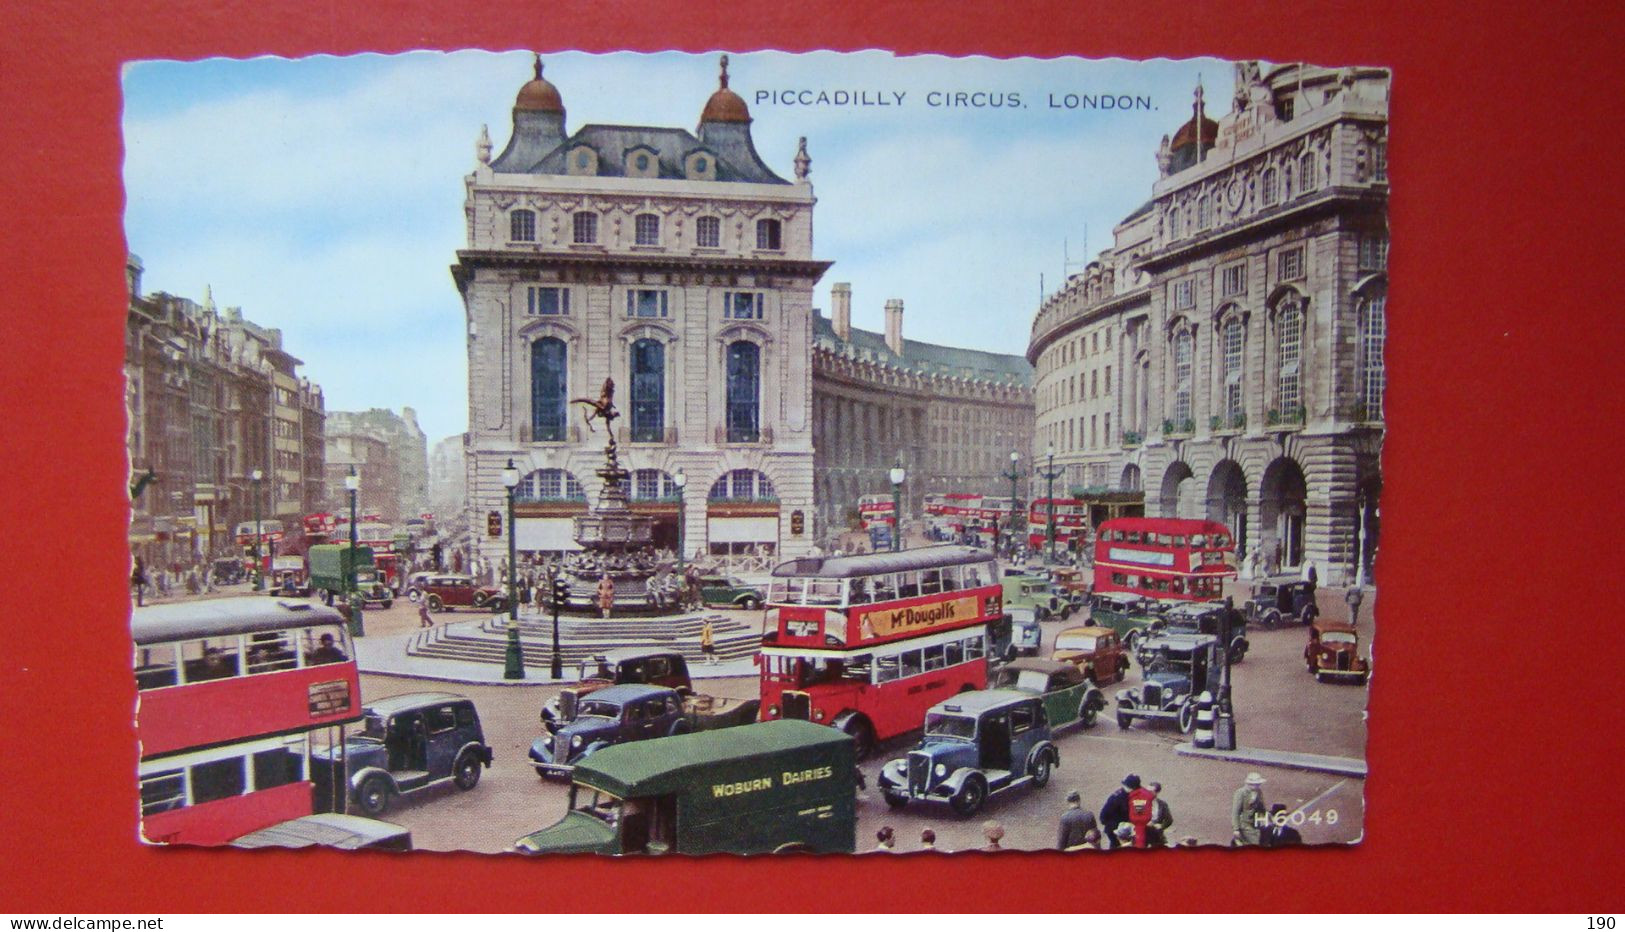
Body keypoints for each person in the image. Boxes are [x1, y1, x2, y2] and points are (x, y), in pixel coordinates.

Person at [1100, 774, 1140, 849]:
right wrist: (1116, 827)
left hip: (1129, 829)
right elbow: (1103, 816)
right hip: (1115, 830)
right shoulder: (1116, 798)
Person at [1232, 772, 1267, 846]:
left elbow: (1261, 807)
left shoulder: (1258, 792)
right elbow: (1235, 812)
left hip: (1254, 824)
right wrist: (1236, 829)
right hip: (1244, 824)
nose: (1258, 786)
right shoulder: (1241, 793)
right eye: (1257, 784)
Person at [1146, 782, 1174, 846]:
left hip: (1157, 836)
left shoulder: (1162, 804)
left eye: (1150, 791)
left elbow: (1169, 820)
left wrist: (1161, 826)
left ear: (1157, 792)